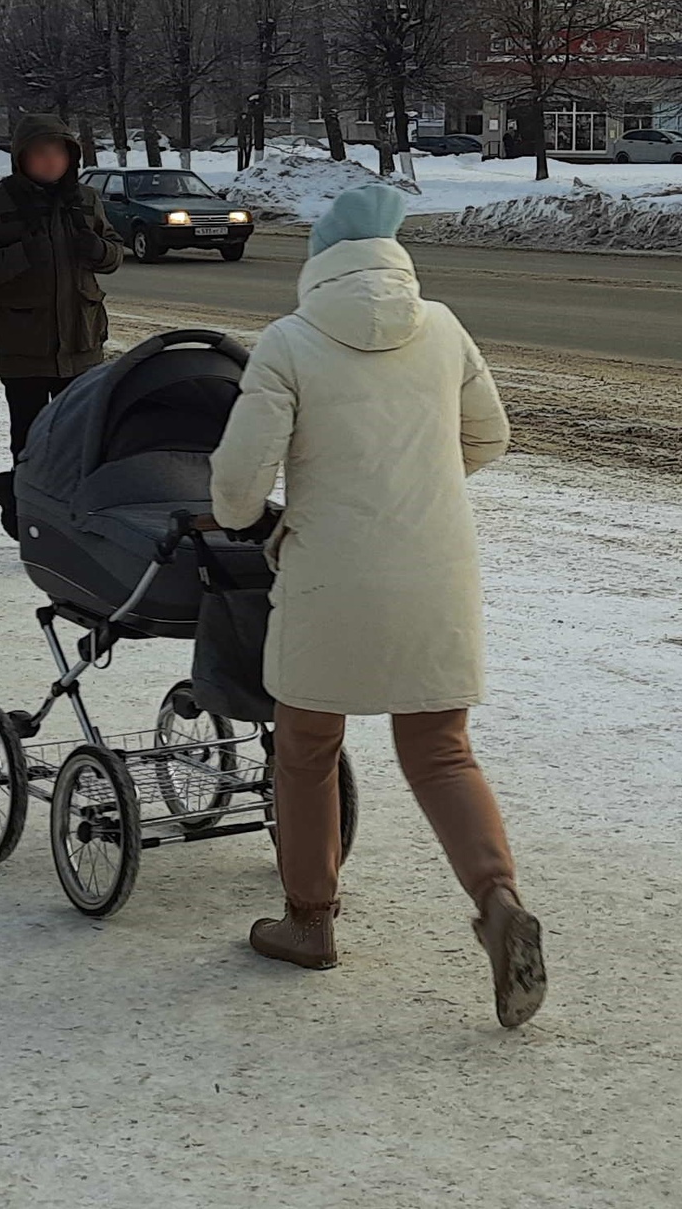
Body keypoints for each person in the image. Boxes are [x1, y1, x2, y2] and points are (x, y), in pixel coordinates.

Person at [209, 184, 545, 1029]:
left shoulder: (289, 341)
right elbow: (490, 437)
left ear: (320, 263)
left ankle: (309, 922)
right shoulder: (441, 326)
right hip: (436, 566)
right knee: (441, 750)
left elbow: (240, 484)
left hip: (331, 574)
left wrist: (244, 521)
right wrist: (412, 493)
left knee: (308, 744)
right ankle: (498, 900)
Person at [0, 115, 123, 536]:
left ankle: (70, 521)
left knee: (80, 444)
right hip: (23, 344)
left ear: (70, 157)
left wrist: (96, 247)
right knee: (29, 441)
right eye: (40, 153)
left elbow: (115, 255)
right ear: (22, 158)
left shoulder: (84, 200)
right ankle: (26, 515)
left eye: (58, 152)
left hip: (82, 343)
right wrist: (20, 254)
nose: (50, 161)